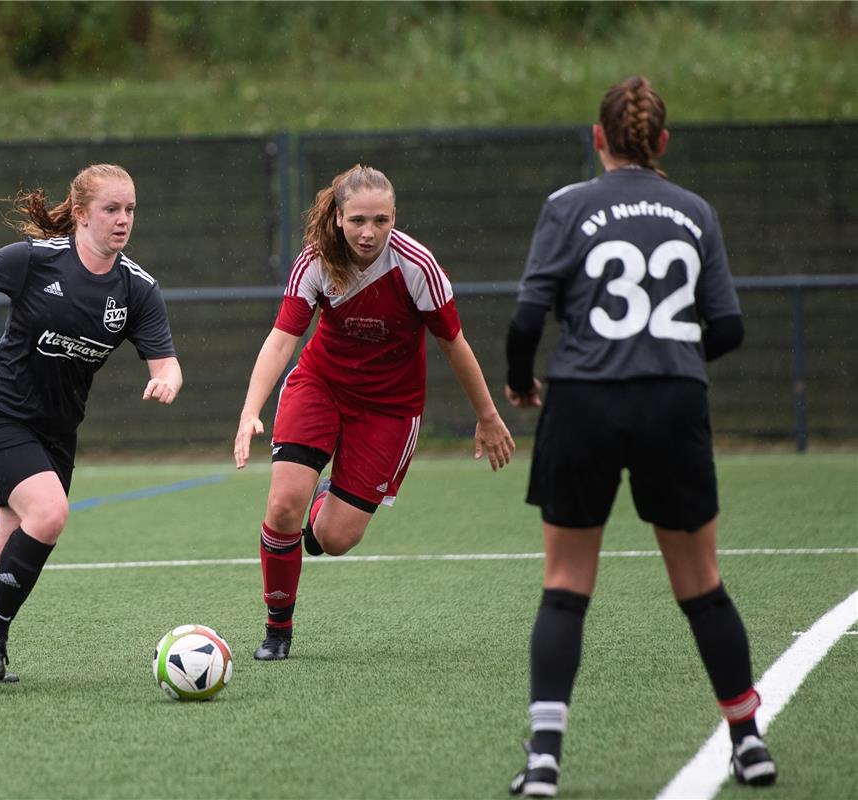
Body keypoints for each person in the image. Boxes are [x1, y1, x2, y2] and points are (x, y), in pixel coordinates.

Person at [504, 76, 776, 797]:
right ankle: (748, 743)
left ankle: (544, 762)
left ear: (598, 140)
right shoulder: (695, 211)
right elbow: (729, 328)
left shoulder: (567, 206)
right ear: (663, 142)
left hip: (584, 403)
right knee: (702, 588)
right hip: (672, 403)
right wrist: (674, 360)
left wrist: (524, 383)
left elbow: (527, 320)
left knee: (565, 589)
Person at [234, 164, 516, 661]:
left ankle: (326, 504)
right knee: (281, 507)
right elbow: (283, 339)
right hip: (319, 387)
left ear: (394, 218)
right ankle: (278, 629)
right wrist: (250, 410)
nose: (369, 232)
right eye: (358, 220)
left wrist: (488, 415)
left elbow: (454, 346)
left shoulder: (418, 268)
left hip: (390, 408)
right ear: (339, 217)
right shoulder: (317, 261)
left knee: (336, 539)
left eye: (381, 220)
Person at [0, 163, 182, 683]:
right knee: (49, 514)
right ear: (81, 214)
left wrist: (167, 380)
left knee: (10, 545)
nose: (123, 220)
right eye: (111, 209)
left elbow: (166, 362)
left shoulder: (137, 289)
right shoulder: (36, 261)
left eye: (130, 209)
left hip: (56, 432)